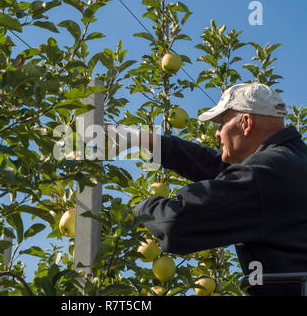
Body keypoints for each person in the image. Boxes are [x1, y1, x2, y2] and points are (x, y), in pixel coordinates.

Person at [130, 82, 307, 296]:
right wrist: (146, 141)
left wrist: (139, 210)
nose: (217, 133)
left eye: (220, 124)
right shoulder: (293, 160)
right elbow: (221, 171)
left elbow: (175, 222)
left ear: (246, 123)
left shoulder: (263, 174)